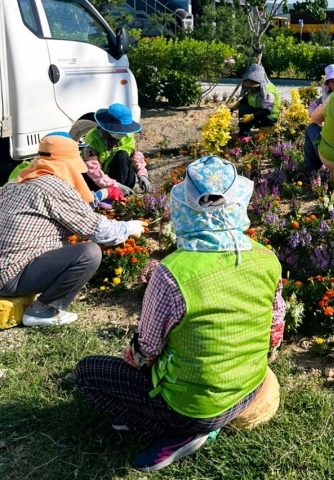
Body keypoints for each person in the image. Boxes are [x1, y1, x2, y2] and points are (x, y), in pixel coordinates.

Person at [74, 156, 285, 473]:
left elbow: (147, 351)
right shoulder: (266, 258)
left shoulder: (172, 273)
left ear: (184, 208)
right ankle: (181, 421)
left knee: (88, 373)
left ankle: (175, 434)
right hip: (249, 386)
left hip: (195, 406)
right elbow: (275, 328)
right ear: (237, 203)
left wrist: (130, 361)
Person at [0, 135, 146, 326]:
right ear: (68, 163)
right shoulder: (53, 187)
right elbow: (98, 231)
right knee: (88, 253)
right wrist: (130, 227)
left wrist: (102, 195)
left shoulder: (17, 182)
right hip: (9, 277)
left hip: (6, 267)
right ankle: (44, 310)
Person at [83, 103, 150, 197]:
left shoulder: (128, 135)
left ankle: (120, 194)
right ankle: (111, 195)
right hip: (101, 182)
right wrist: (116, 186)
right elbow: (93, 170)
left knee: (122, 154)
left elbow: (135, 156)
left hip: (124, 177)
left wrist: (142, 175)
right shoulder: (92, 138)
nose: (125, 134)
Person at [229, 64, 280, 135]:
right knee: (244, 108)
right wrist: (232, 108)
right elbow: (245, 99)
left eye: (254, 86)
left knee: (246, 111)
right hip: (259, 112)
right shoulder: (254, 90)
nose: (252, 88)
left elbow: (268, 110)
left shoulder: (268, 91)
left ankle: (245, 133)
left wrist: (251, 117)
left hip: (269, 117)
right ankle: (243, 132)